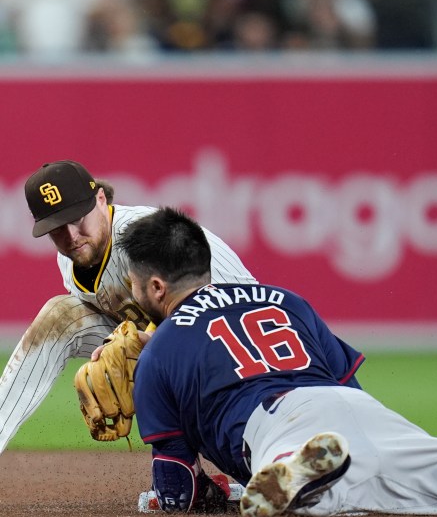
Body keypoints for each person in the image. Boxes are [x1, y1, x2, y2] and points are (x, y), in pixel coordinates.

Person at [120, 206, 437, 517]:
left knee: (313, 498)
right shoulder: (285, 300)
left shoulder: (159, 351)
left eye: (136, 284)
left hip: (274, 424)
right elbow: (349, 385)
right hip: (358, 410)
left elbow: (176, 489)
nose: (133, 293)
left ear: (157, 287)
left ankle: (296, 472)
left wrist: (179, 497)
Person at [0, 159, 257, 454]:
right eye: (57, 228)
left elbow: (217, 311)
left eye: (77, 218)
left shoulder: (148, 238)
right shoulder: (70, 259)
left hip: (236, 340)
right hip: (177, 339)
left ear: (99, 200)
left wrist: (149, 345)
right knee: (60, 316)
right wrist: (124, 347)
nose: (71, 236)